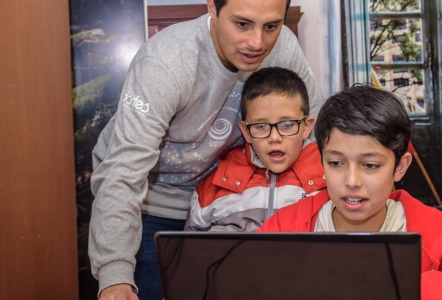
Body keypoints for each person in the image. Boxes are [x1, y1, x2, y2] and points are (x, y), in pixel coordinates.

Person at [88, 0, 324, 299]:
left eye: (271, 26)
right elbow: (122, 173)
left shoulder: (283, 48)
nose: (257, 43)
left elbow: (317, 135)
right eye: (242, 24)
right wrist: (114, 277)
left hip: (221, 200)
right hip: (148, 202)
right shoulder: (166, 62)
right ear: (212, 7)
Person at [257, 85, 442, 299]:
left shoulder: (432, 234)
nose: (351, 180)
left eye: (370, 165)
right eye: (336, 163)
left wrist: (415, 290)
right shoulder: (286, 228)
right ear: (321, 161)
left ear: (400, 167)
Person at [185, 67, 325, 232]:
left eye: (287, 125)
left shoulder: (329, 178)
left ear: (306, 127)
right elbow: (190, 252)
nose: (274, 137)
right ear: (246, 132)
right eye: (261, 126)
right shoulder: (214, 187)